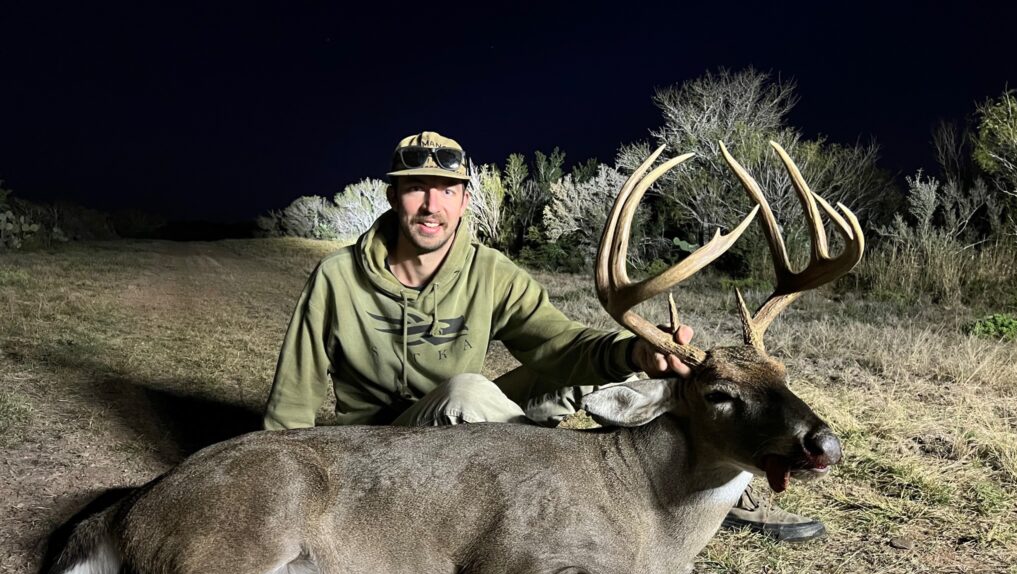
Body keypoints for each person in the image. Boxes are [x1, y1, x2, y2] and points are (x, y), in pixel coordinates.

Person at [263, 131, 824, 542]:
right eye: (416, 189)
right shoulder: (338, 278)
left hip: (456, 423)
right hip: (383, 447)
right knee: (465, 393)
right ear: (393, 196)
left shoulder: (490, 271)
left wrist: (634, 351)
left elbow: (559, 346)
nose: (431, 205)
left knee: (618, 371)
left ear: (464, 200)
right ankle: (555, 490)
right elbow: (293, 398)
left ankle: (713, 482)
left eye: (446, 190)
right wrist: (274, 478)